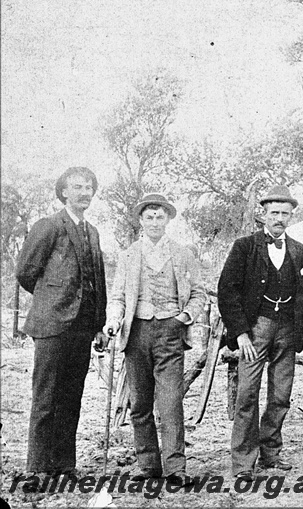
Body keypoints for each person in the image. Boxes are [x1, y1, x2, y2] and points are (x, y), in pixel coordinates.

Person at [218, 185, 303, 478]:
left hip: (287, 330)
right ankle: (243, 462)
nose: (279, 218)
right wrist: (240, 333)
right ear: (263, 215)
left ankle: (271, 453)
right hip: (255, 329)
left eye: (285, 213)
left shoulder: (298, 250)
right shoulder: (245, 247)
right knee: (247, 394)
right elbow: (227, 291)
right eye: (274, 213)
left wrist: (298, 313)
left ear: (292, 216)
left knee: (281, 394)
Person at [104, 193, 205, 486]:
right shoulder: (128, 255)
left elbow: (198, 292)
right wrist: (113, 320)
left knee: (171, 401)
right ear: (140, 221)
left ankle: (176, 468)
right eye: (149, 217)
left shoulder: (183, 254)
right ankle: (148, 465)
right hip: (136, 333)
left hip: (170, 333)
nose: (155, 222)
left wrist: (184, 318)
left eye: (160, 216)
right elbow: (119, 297)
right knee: (140, 403)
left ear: (168, 220)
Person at [16, 167, 107, 484]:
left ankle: (64, 464)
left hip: (82, 328)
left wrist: (98, 324)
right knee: (46, 398)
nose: (85, 192)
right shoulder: (48, 226)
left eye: (89, 188)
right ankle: (39, 468)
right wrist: (52, 300)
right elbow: (26, 273)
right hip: (52, 325)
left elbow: (98, 282)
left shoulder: (92, 232)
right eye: (78, 187)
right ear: (64, 192)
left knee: (71, 397)